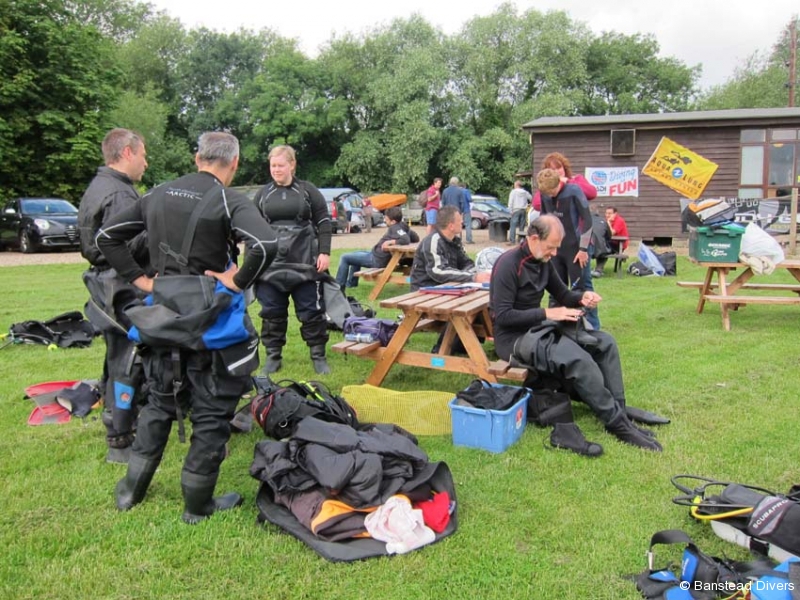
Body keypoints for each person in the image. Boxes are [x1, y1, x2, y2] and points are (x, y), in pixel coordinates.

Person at [96, 131, 278, 523]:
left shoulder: (157, 193)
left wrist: (141, 280)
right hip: (212, 322)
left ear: (198, 158)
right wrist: (238, 281)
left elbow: (107, 237)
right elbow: (266, 244)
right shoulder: (229, 199)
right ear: (234, 163)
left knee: (160, 402)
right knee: (212, 412)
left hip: (163, 317)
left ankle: (130, 491)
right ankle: (197, 505)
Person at [489, 215, 663, 452]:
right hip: (513, 339)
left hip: (538, 329)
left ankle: (619, 410)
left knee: (605, 342)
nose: (554, 253)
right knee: (576, 358)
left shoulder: (543, 261)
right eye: (551, 247)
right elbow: (502, 316)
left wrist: (582, 297)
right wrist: (549, 313)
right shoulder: (508, 264)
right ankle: (617, 424)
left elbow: (563, 294)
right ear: (533, 238)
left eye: (556, 248)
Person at [78, 128, 149, 464]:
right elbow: (127, 245)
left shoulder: (99, 185)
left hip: (105, 282)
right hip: (120, 284)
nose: (146, 163)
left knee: (116, 353)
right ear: (127, 153)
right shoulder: (119, 194)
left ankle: (114, 416)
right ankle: (119, 438)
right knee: (129, 359)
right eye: (143, 155)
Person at [252, 145, 334, 375]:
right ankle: (273, 357)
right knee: (271, 312)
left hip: (305, 261)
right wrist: (253, 263)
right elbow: (252, 229)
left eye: (280, 165)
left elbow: (324, 222)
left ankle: (318, 356)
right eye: (273, 165)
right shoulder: (263, 194)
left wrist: (324, 252)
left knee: (311, 312)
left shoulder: (308, 191)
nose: (276, 170)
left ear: (292, 165)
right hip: (271, 265)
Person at [410, 205, 491, 291]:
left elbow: (467, 264)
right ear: (451, 226)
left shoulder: (455, 241)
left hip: (447, 287)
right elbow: (437, 271)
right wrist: (473, 277)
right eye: (459, 220)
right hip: (426, 289)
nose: (462, 222)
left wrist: (477, 274)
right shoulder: (433, 241)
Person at [335, 206, 419, 289]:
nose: (385, 220)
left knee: (344, 257)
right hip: (376, 254)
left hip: (376, 260)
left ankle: (338, 287)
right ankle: (351, 283)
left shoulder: (395, 228)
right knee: (355, 254)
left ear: (393, 221)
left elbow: (405, 239)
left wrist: (391, 241)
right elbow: (416, 238)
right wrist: (407, 230)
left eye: (386, 219)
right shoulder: (402, 226)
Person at [594, 207, 630, 276]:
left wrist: (608, 223)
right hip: (610, 242)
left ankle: (598, 270)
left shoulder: (619, 221)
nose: (607, 215)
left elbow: (612, 233)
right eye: (606, 213)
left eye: (609, 213)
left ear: (615, 214)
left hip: (619, 244)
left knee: (603, 248)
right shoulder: (605, 220)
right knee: (600, 245)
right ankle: (597, 270)